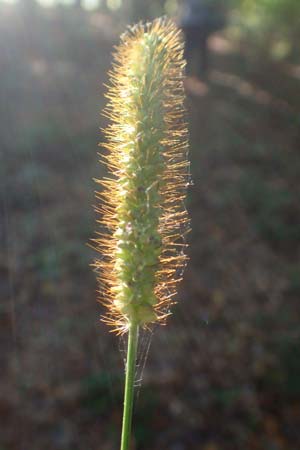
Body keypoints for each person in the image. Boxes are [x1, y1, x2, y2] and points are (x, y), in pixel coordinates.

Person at [178, 0, 226, 79]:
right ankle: (188, 70)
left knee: (194, 49)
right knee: (195, 49)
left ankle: (198, 71)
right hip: (197, 25)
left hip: (195, 25)